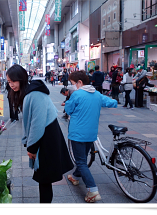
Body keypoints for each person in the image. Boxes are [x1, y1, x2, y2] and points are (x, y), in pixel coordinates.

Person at [6, 64, 73, 203]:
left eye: (13, 81)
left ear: (22, 78)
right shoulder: (26, 93)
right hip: (43, 136)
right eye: (8, 82)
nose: (11, 84)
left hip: (47, 137)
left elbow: (37, 123)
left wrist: (31, 147)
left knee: (44, 179)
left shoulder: (35, 94)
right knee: (44, 178)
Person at [64, 70, 117, 203]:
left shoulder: (77, 94)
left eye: (73, 83)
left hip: (77, 134)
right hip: (91, 133)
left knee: (81, 161)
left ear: (80, 82)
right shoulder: (97, 94)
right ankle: (75, 176)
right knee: (83, 158)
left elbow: (69, 110)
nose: (73, 86)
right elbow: (111, 103)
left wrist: (68, 103)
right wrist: (115, 100)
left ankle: (92, 190)